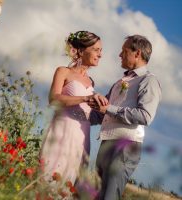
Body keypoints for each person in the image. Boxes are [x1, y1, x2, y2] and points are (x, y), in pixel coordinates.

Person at [89, 35, 162, 200]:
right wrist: (79, 116)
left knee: (109, 196)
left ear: (137, 54)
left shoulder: (149, 81)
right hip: (106, 143)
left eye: (124, 51)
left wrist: (108, 108)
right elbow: (103, 113)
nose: (120, 55)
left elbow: (145, 116)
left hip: (125, 147)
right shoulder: (120, 81)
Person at [39, 31, 108, 186]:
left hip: (82, 138)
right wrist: (85, 98)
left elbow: (91, 115)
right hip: (61, 133)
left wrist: (104, 109)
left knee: (69, 186)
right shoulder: (63, 71)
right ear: (81, 51)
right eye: (96, 50)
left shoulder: (91, 82)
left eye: (101, 50)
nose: (100, 54)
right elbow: (53, 99)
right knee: (49, 180)